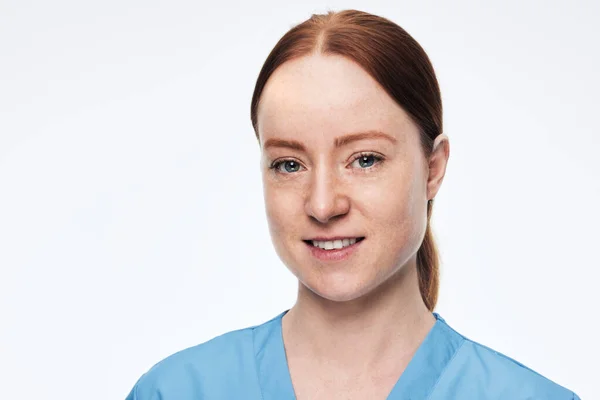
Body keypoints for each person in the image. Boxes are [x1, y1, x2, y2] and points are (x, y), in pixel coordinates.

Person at [125, 9, 579, 400]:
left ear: (433, 168)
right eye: (288, 164)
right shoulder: (180, 390)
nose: (323, 205)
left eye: (364, 159)